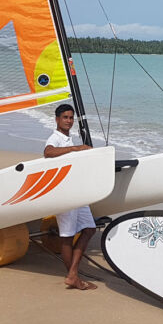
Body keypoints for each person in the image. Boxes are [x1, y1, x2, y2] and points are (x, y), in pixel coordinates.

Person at [43, 103, 97, 291]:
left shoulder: (68, 137)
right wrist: (75, 149)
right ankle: (73, 277)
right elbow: (48, 152)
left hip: (77, 192)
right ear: (57, 119)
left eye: (71, 118)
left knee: (90, 229)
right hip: (64, 193)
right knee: (67, 237)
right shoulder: (55, 138)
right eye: (65, 117)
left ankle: (73, 273)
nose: (69, 121)